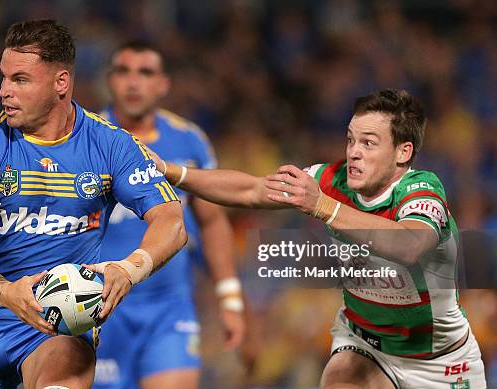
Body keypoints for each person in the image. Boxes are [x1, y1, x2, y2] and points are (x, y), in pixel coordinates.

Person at [151, 89, 487, 388]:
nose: (354, 152)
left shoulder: (422, 191)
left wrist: (323, 206)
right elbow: (250, 190)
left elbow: (409, 245)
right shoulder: (328, 180)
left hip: (439, 359)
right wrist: (171, 171)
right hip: (365, 345)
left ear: (403, 152)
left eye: (368, 143)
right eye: (350, 139)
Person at [0, 20, 186, 389]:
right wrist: (6, 292)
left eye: (20, 80)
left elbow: (172, 222)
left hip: (60, 327)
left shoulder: (111, 145)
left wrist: (130, 268)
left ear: (61, 83)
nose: (4, 91)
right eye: (3, 78)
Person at [92, 41, 246, 389]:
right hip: (97, 308)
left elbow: (212, 222)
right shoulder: (85, 139)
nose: (133, 82)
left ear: (163, 84)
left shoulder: (189, 141)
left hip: (169, 309)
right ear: (110, 80)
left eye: (145, 73)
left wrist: (230, 298)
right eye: (123, 71)